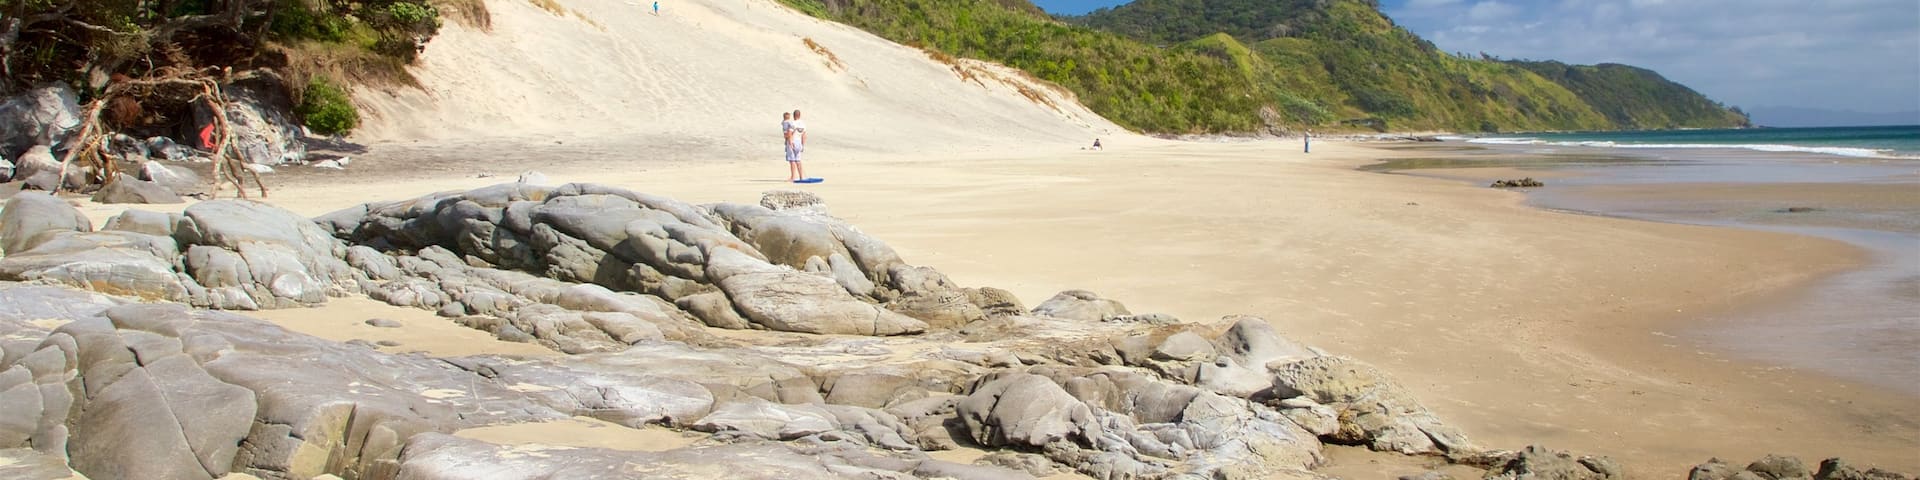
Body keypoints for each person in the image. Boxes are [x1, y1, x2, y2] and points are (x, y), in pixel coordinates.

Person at [788, 109, 808, 182]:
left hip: (793, 141)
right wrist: (802, 145)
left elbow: (790, 133)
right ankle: (801, 177)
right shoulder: (803, 124)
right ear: (799, 115)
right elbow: (804, 135)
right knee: (798, 160)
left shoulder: (793, 123)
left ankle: (793, 177)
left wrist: (790, 142)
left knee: (792, 160)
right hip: (799, 142)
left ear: (794, 116)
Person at [782, 112, 800, 181]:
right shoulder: (790, 122)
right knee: (796, 159)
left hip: (790, 142)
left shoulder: (785, 123)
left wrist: (789, 140)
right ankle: (797, 176)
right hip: (794, 141)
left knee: (792, 159)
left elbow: (788, 133)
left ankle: (793, 176)